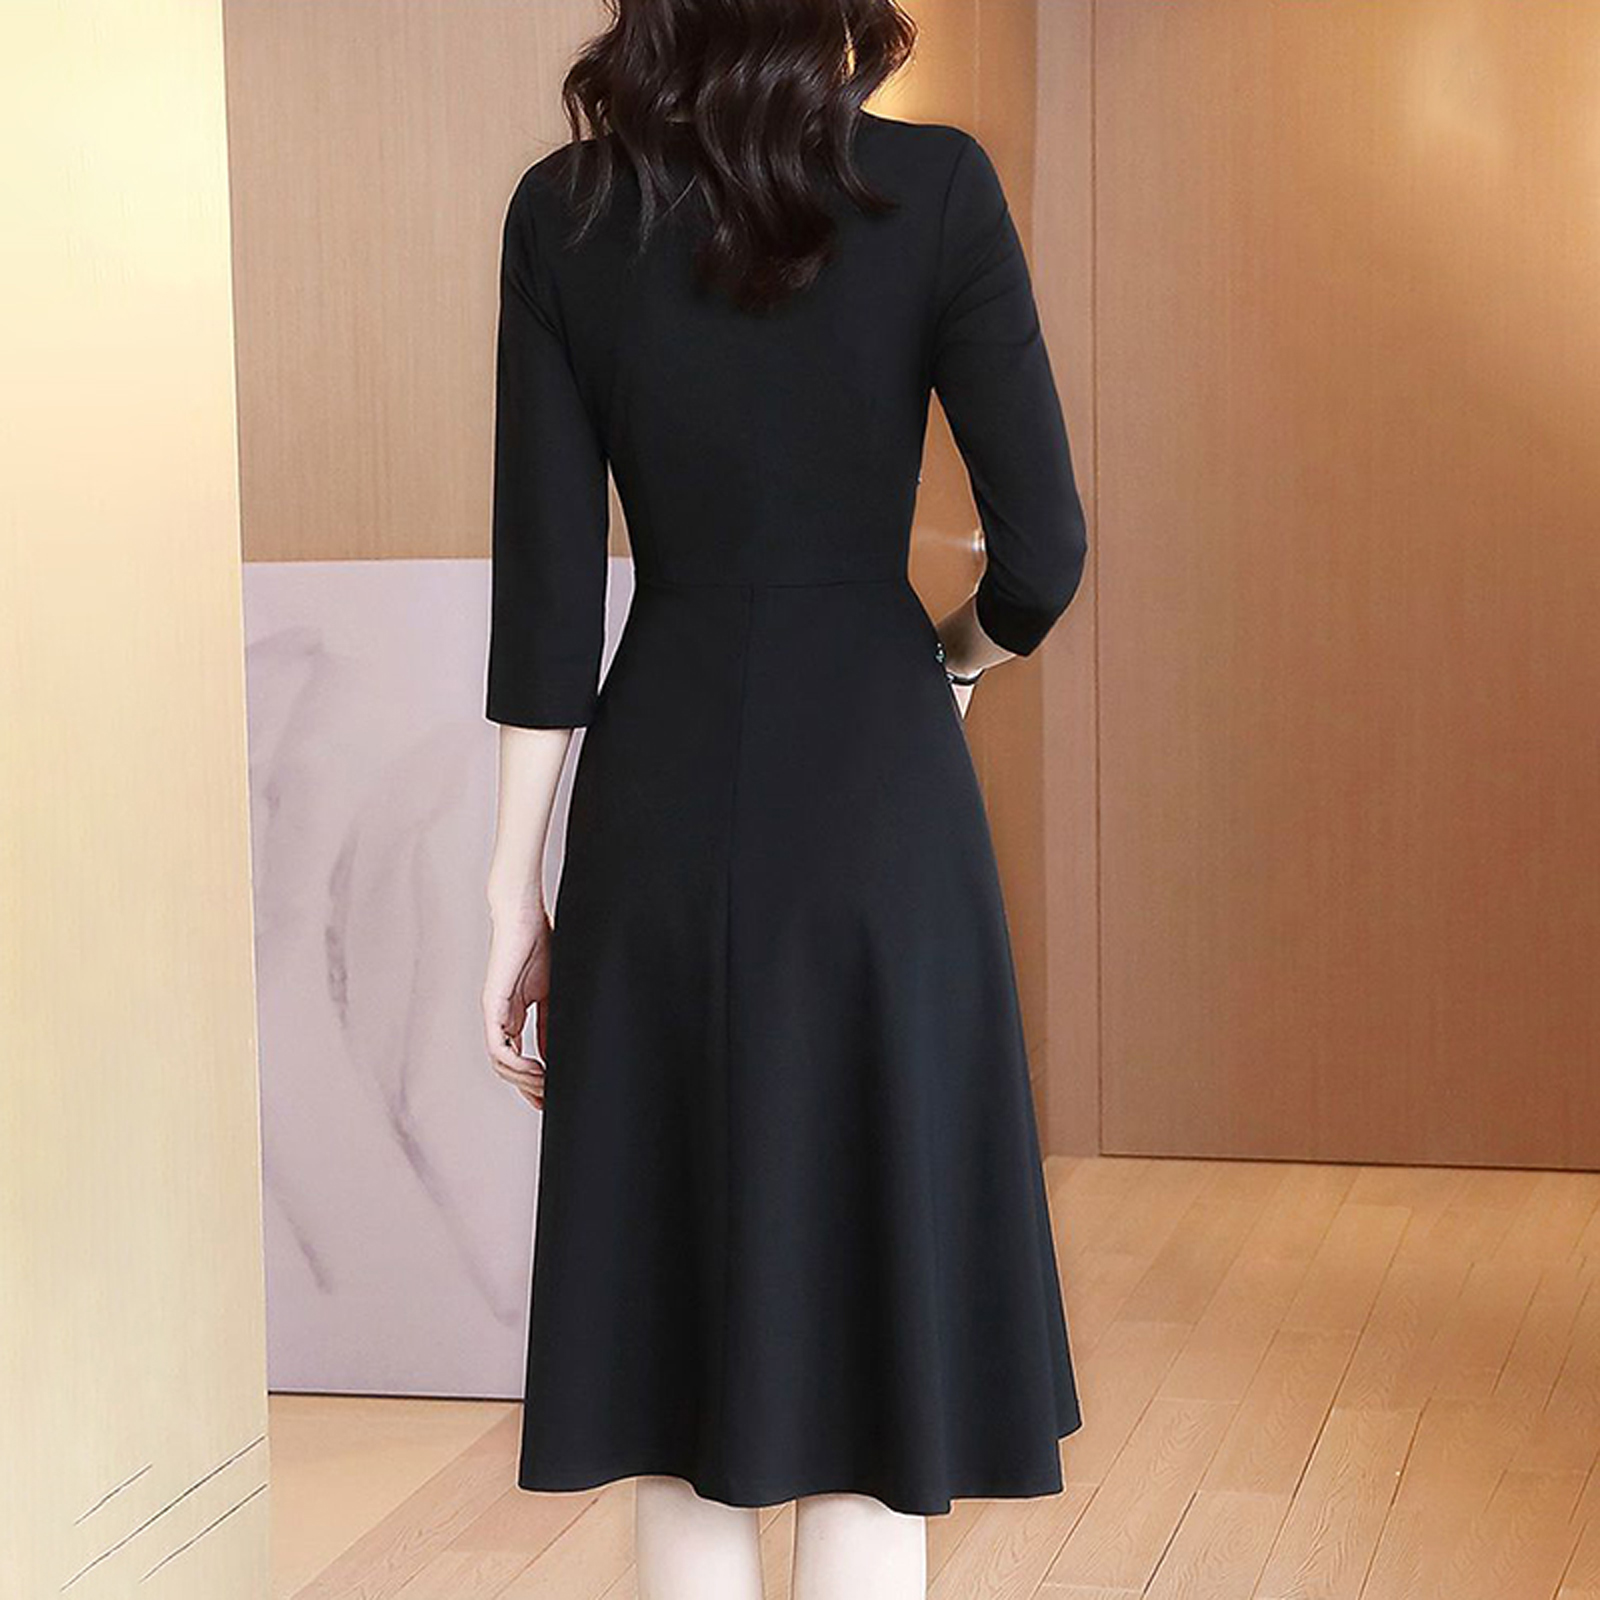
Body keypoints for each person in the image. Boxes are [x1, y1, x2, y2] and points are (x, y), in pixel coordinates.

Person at [480, 2, 1087, 1594]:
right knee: (880, 1363)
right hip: (883, 799)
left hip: (661, 798)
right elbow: (1045, 556)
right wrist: (952, 665)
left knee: (676, 1368)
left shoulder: (564, 214)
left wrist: (508, 893)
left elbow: (546, 607)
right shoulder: (936, 189)